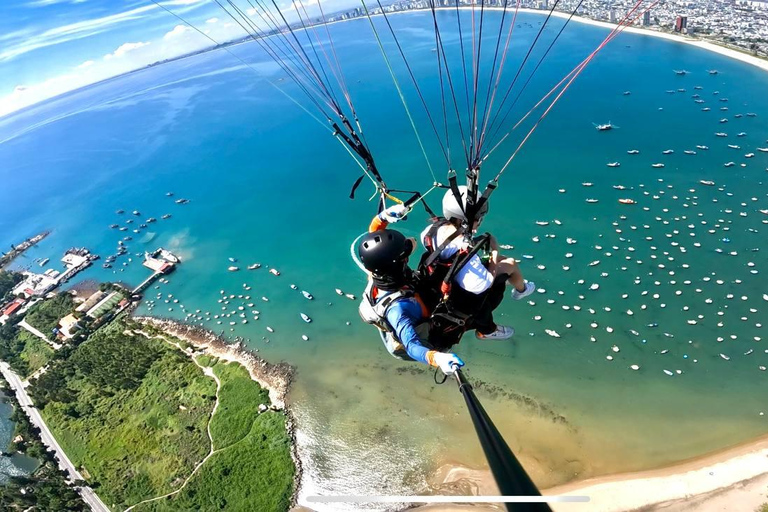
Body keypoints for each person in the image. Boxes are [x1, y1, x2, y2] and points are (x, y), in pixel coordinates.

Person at [420, 186, 535, 346]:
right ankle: (520, 291)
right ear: (463, 221)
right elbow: (482, 284)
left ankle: (516, 284)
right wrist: (494, 250)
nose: (480, 222)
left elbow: (448, 246)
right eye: (478, 219)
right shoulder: (463, 245)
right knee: (510, 264)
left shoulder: (432, 229)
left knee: (502, 260)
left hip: (443, 275)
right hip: (462, 297)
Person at [358, 204, 464, 375]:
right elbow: (412, 346)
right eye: (404, 255)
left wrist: (383, 218)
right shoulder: (398, 309)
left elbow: (373, 233)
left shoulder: (378, 270)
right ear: (397, 265)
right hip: (414, 339)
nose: (409, 246)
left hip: (409, 301)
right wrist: (437, 358)